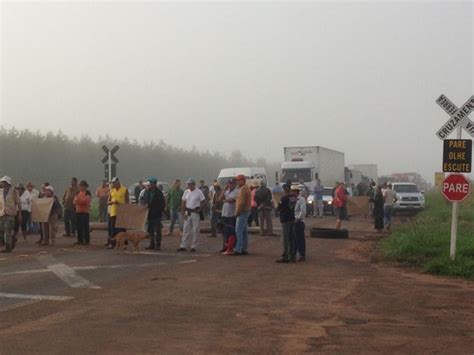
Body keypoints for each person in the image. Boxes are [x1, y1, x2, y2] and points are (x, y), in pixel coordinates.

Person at [178, 179, 205, 252]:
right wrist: (183, 212)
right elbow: (183, 201)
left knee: (195, 229)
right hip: (188, 211)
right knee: (186, 229)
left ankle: (194, 246)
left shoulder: (198, 192)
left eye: (190, 184)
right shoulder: (186, 192)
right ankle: (183, 245)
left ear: (193, 184)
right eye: (188, 184)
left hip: (195, 212)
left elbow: (203, 200)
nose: (189, 185)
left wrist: (200, 209)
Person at [142, 177, 166, 251]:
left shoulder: (159, 193)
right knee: (150, 230)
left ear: (154, 184)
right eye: (149, 183)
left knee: (158, 230)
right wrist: (144, 204)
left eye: (151, 183)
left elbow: (162, 204)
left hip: (157, 214)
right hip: (149, 214)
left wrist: (158, 211)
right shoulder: (147, 191)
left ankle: (158, 244)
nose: (150, 185)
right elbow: (143, 199)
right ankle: (151, 244)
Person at [275, 184, 297, 263]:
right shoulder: (293, 198)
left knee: (285, 238)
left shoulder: (283, 198)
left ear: (284, 190)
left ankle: (285, 256)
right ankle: (293, 255)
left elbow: (278, 208)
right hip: (292, 218)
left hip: (285, 219)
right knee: (291, 238)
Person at [106, 177, 129, 248]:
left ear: (118, 182)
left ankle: (124, 243)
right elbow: (108, 201)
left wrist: (119, 203)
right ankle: (113, 243)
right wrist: (112, 202)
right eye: (112, 183)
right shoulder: (111, 191)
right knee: (112, 228)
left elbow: (127, 202)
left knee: (121, 229)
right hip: (113, 212)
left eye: (114, 183)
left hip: (121, 212)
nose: (112, 184)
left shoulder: (124, 190)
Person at [0, 176, 21, 252]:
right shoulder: (1, 191)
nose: (1, 183)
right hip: (2, 213)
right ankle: (12, 240)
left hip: (10, 213)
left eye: (3, 182)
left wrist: (19, 214)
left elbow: (18, 203)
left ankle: (7, 247)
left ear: (7, 183)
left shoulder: (14, 191)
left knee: (8, 230)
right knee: (1, 230)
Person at [232, 175, 251, 256]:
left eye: (238, 180)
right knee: (243, 231)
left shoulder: (243, 189)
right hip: (245, 211)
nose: (237, 182)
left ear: (243, 180)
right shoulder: (245, 188)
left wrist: (237, 212)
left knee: (238, 231)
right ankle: (244, 248)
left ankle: (238, 249)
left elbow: (242, 203)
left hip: (242, 212)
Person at [219, 179, 238, 251]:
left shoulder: (237, 191)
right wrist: (223, 190)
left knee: (231, 232)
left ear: (234, 184)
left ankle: (231, 246)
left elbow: (231, 200)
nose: (230, 185)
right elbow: (219, 199)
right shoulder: (226, 192)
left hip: (232, 214)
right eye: (229, 183)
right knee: (224, 232)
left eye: (232, 183)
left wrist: (225, 200)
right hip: (225, 213)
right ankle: (225, 246)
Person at [74, 180, 92, 245]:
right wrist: (79, 201)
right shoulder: (77, 193)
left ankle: (86, 240)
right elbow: (74, 201)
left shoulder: (87, 193)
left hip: (85, 212)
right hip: (78, 211)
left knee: (85, 227)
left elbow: (85, 201)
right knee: (79, 227)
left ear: (85, 187)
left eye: (83, 186)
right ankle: (80, 240)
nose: (81, 187)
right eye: (81, 186)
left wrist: (78, 201)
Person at [293, 185, 307, 262]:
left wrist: (298, 218)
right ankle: (294, 253)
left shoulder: (301, 199)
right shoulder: (292, 200)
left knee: (299, 239)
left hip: (299, 221)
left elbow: (303, 211)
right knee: (294, 239)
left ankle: (302, 254)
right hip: (293, 221)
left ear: (296, 192)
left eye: (293, 191)